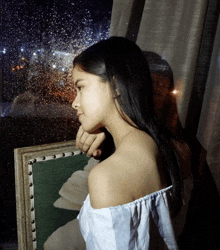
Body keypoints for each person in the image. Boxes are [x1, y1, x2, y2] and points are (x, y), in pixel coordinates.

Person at [68, 36, 191, 250]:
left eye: (81, 87)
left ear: (115, 84)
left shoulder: (106, 177)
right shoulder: (177, 149)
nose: (74, 102)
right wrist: (106, 130)